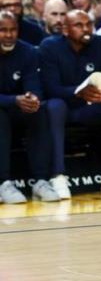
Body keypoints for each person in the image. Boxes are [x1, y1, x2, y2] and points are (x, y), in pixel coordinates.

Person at [39, 10, 101, 198]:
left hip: (94, 105)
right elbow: (49, 88)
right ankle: (58, 175)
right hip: (67, 107)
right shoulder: (49, 46)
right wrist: (78, 92)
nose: (86, 29)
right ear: (65, 29)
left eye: (88, 24)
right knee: (54, 106)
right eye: (79, 25)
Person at [0, 11, 60, 203]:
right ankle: (3, 182)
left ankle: (41, 181)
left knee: (39, 111)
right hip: (6, 106)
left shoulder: (27, 51)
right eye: (3, 30)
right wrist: (14, 100)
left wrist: (32, 99)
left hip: (17, 105)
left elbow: (34, 86)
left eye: (13, 30)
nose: (9, 35)